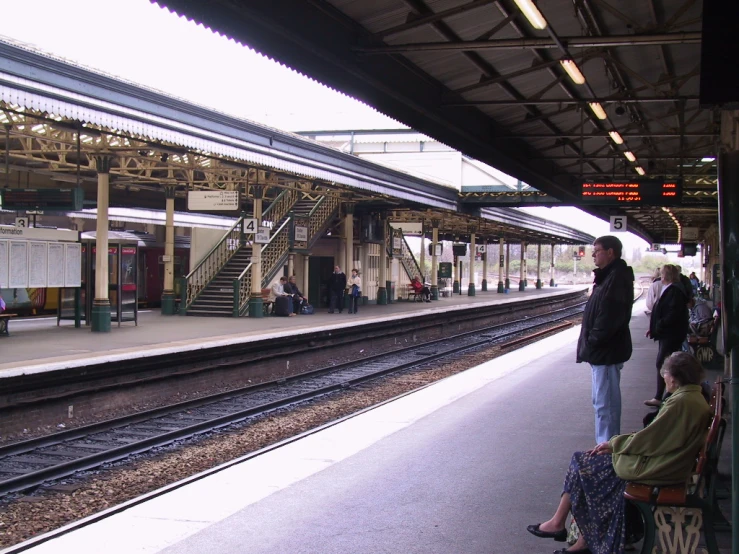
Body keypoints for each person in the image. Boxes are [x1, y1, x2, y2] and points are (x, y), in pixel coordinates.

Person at [527, 352, 711, 554]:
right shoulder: (691, 398)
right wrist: (617, 444)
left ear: (674, 378)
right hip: (667, 463)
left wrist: (614, 444)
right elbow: (656, 438)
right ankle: (573, 533)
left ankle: (568, 529)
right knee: (585, 464)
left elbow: (649, 439)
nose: (664, 379)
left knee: (584, 465)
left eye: (665, 375)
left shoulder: (681, 403)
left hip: (659, 468)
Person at [576, 235, 634, 444]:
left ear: (611, 252)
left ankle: (607, 450)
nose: (593, 254)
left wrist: (592, 342)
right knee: (602, 403)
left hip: (606, 352)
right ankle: (606, 446)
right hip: (603, 351)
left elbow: (609, 317)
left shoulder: (616, 278)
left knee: (605, 405)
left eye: (597, 250)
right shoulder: (609, 276)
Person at [645, 264, 689, 407]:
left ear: (667, 276)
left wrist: (660, 325)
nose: (660, 276)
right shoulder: (673, 288)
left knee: (663, 363)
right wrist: (654, 328)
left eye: (662, 274)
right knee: (668, 363)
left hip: (670, 333)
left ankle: (663, 396)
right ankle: (666, 395)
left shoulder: (674, 290)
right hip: (669, 333)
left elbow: (672, 313)